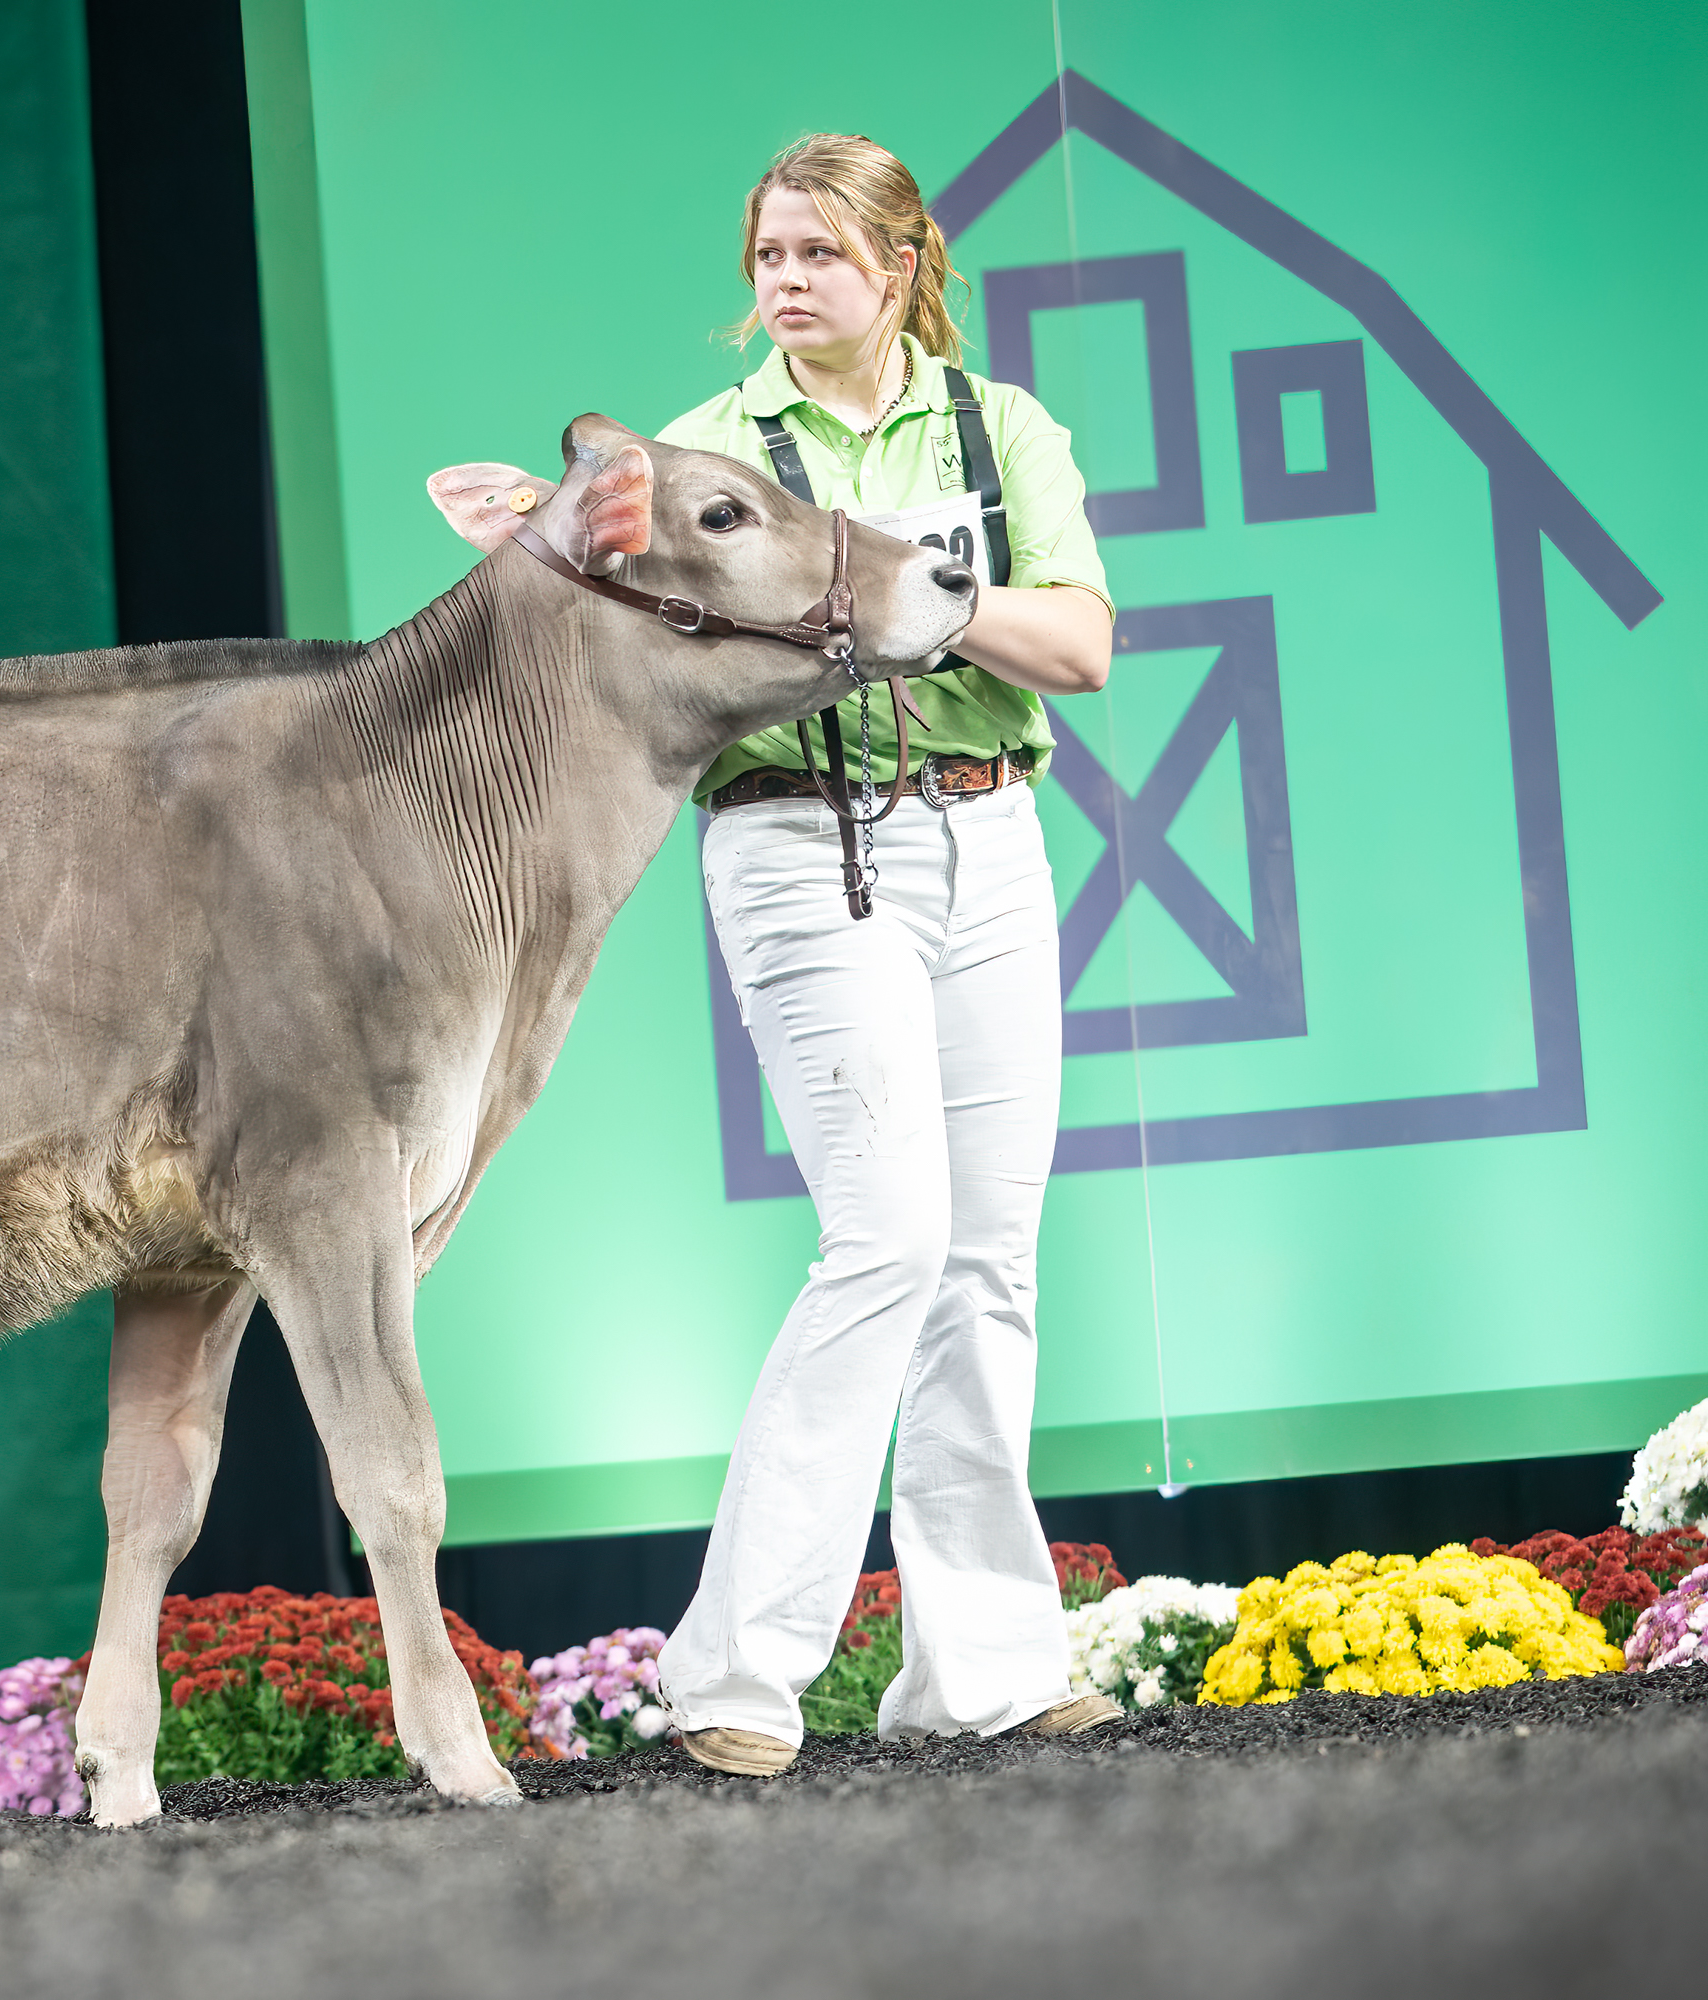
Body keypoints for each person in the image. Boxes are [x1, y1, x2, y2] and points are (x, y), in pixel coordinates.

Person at [651, 132, 1121, 1773]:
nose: (786, 281)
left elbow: (1081, 644)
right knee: (890, 1238)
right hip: (800, 839)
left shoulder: (1002, 427)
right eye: (769, 256)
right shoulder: (709, 455)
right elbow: (668, 682)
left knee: (987, 1260)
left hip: (990, 839)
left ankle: (984, 1669)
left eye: (820, 255)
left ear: (902, 267)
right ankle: (734, 1675)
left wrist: (915, 597)